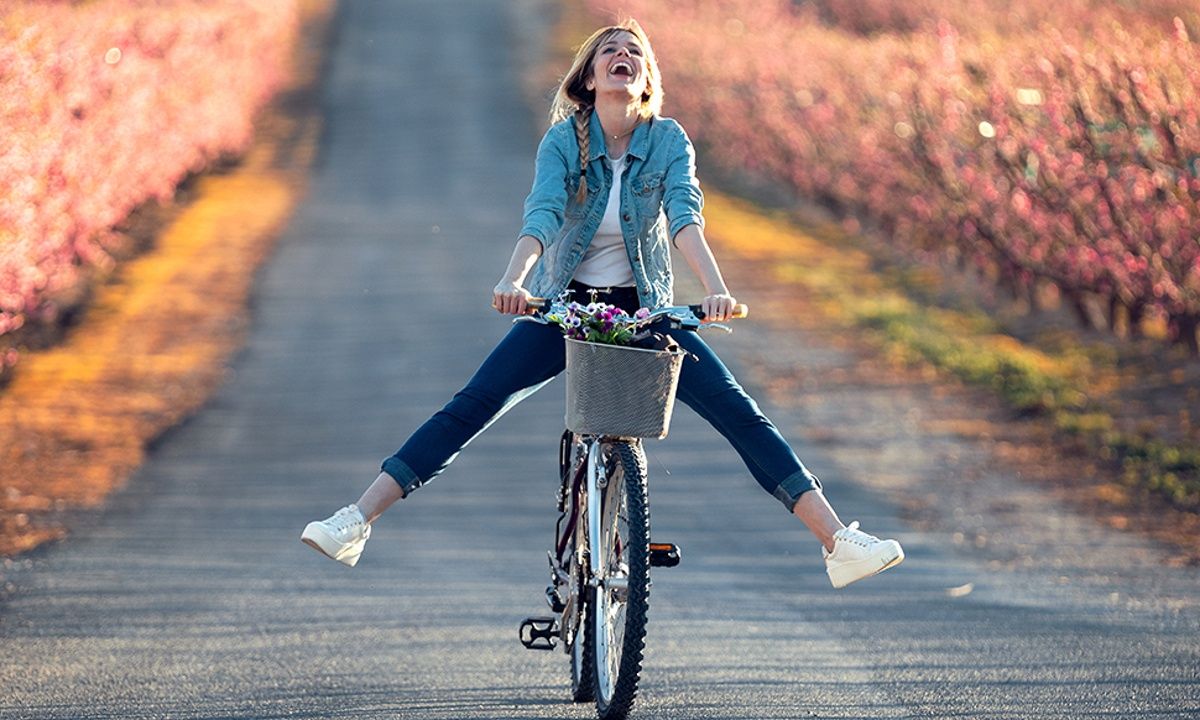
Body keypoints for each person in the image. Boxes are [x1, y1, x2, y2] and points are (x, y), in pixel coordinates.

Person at [301, 19, 903, 589]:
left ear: (646, 79)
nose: (623, 57)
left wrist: (715, 290)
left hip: (645, 312)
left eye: (635, 52)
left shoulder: (668, 140)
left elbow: (685, 216)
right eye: (610, 51)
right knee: (474, 404)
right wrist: (515, 280)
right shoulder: (564, 141)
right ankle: (356, 520)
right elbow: (541, 214)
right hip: (567, 309)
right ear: (589, 76)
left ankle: (837, 544)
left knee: (740, 414)